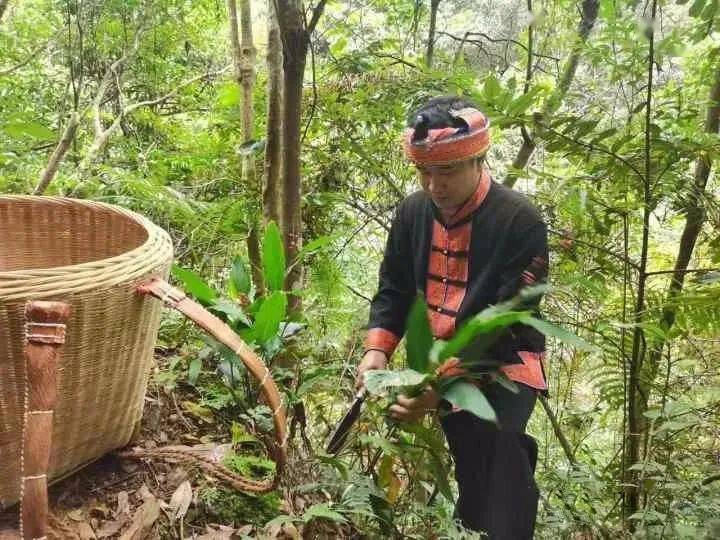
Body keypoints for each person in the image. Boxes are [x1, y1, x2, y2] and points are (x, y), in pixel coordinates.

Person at [355, 96, 549, 539]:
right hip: (436, 360)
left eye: (447, 172)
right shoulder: (412, 213)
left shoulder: (520, 220)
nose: (434, 185)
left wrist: (440, 393)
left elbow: (510, 319)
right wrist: (376, 351)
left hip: (505, 365)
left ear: (477, 160)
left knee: (499, 457)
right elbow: (395, 288)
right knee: (473, 469)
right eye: (424, 172)